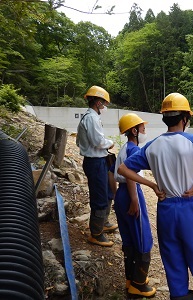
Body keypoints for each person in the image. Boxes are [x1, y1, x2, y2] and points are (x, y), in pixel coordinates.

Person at [118, 92, 193, 300]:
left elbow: (123, 169)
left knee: (173, 261)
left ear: (165, 118)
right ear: (185, 118)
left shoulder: (152, 145)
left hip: (166, 208)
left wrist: (151, 184)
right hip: (190, 206)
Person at [113, 113, 156, 298]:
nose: (145, 132)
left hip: (121, 193)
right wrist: (134, 199)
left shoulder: (123, 148)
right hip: (131, 193)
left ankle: (131, 278)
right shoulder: (133, 149)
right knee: (142, 238)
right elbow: (129, 173)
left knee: (129, 239)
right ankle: (138, 284)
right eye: (143, 129)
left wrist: (117, 196)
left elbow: (110, 173)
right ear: (134, 130)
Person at [76, 85, 117, 247]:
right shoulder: (91, 118)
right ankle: (96, 234)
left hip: (99, 161)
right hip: (95, 162)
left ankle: (103, 222)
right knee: (99, 196)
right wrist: (110, 143)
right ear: (98, 102)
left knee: (107, 191)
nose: (105, 106)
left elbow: (80, 141)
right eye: (104, 103)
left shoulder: (91, 117)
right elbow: (98, 142)